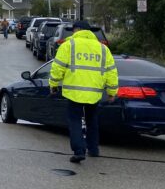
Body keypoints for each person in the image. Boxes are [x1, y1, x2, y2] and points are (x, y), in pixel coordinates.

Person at [48, 19, 118, 163]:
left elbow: (58, 67)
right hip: (94, 92)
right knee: (92, 120)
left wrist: (53, 84)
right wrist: (112, 92)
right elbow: (111, 72)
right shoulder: (103, 48)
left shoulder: (69, 45)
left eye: (73, 30)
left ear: (77, 30)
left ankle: (79, 151)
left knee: (75, 121)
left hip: (74, 92)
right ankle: (93, 149)